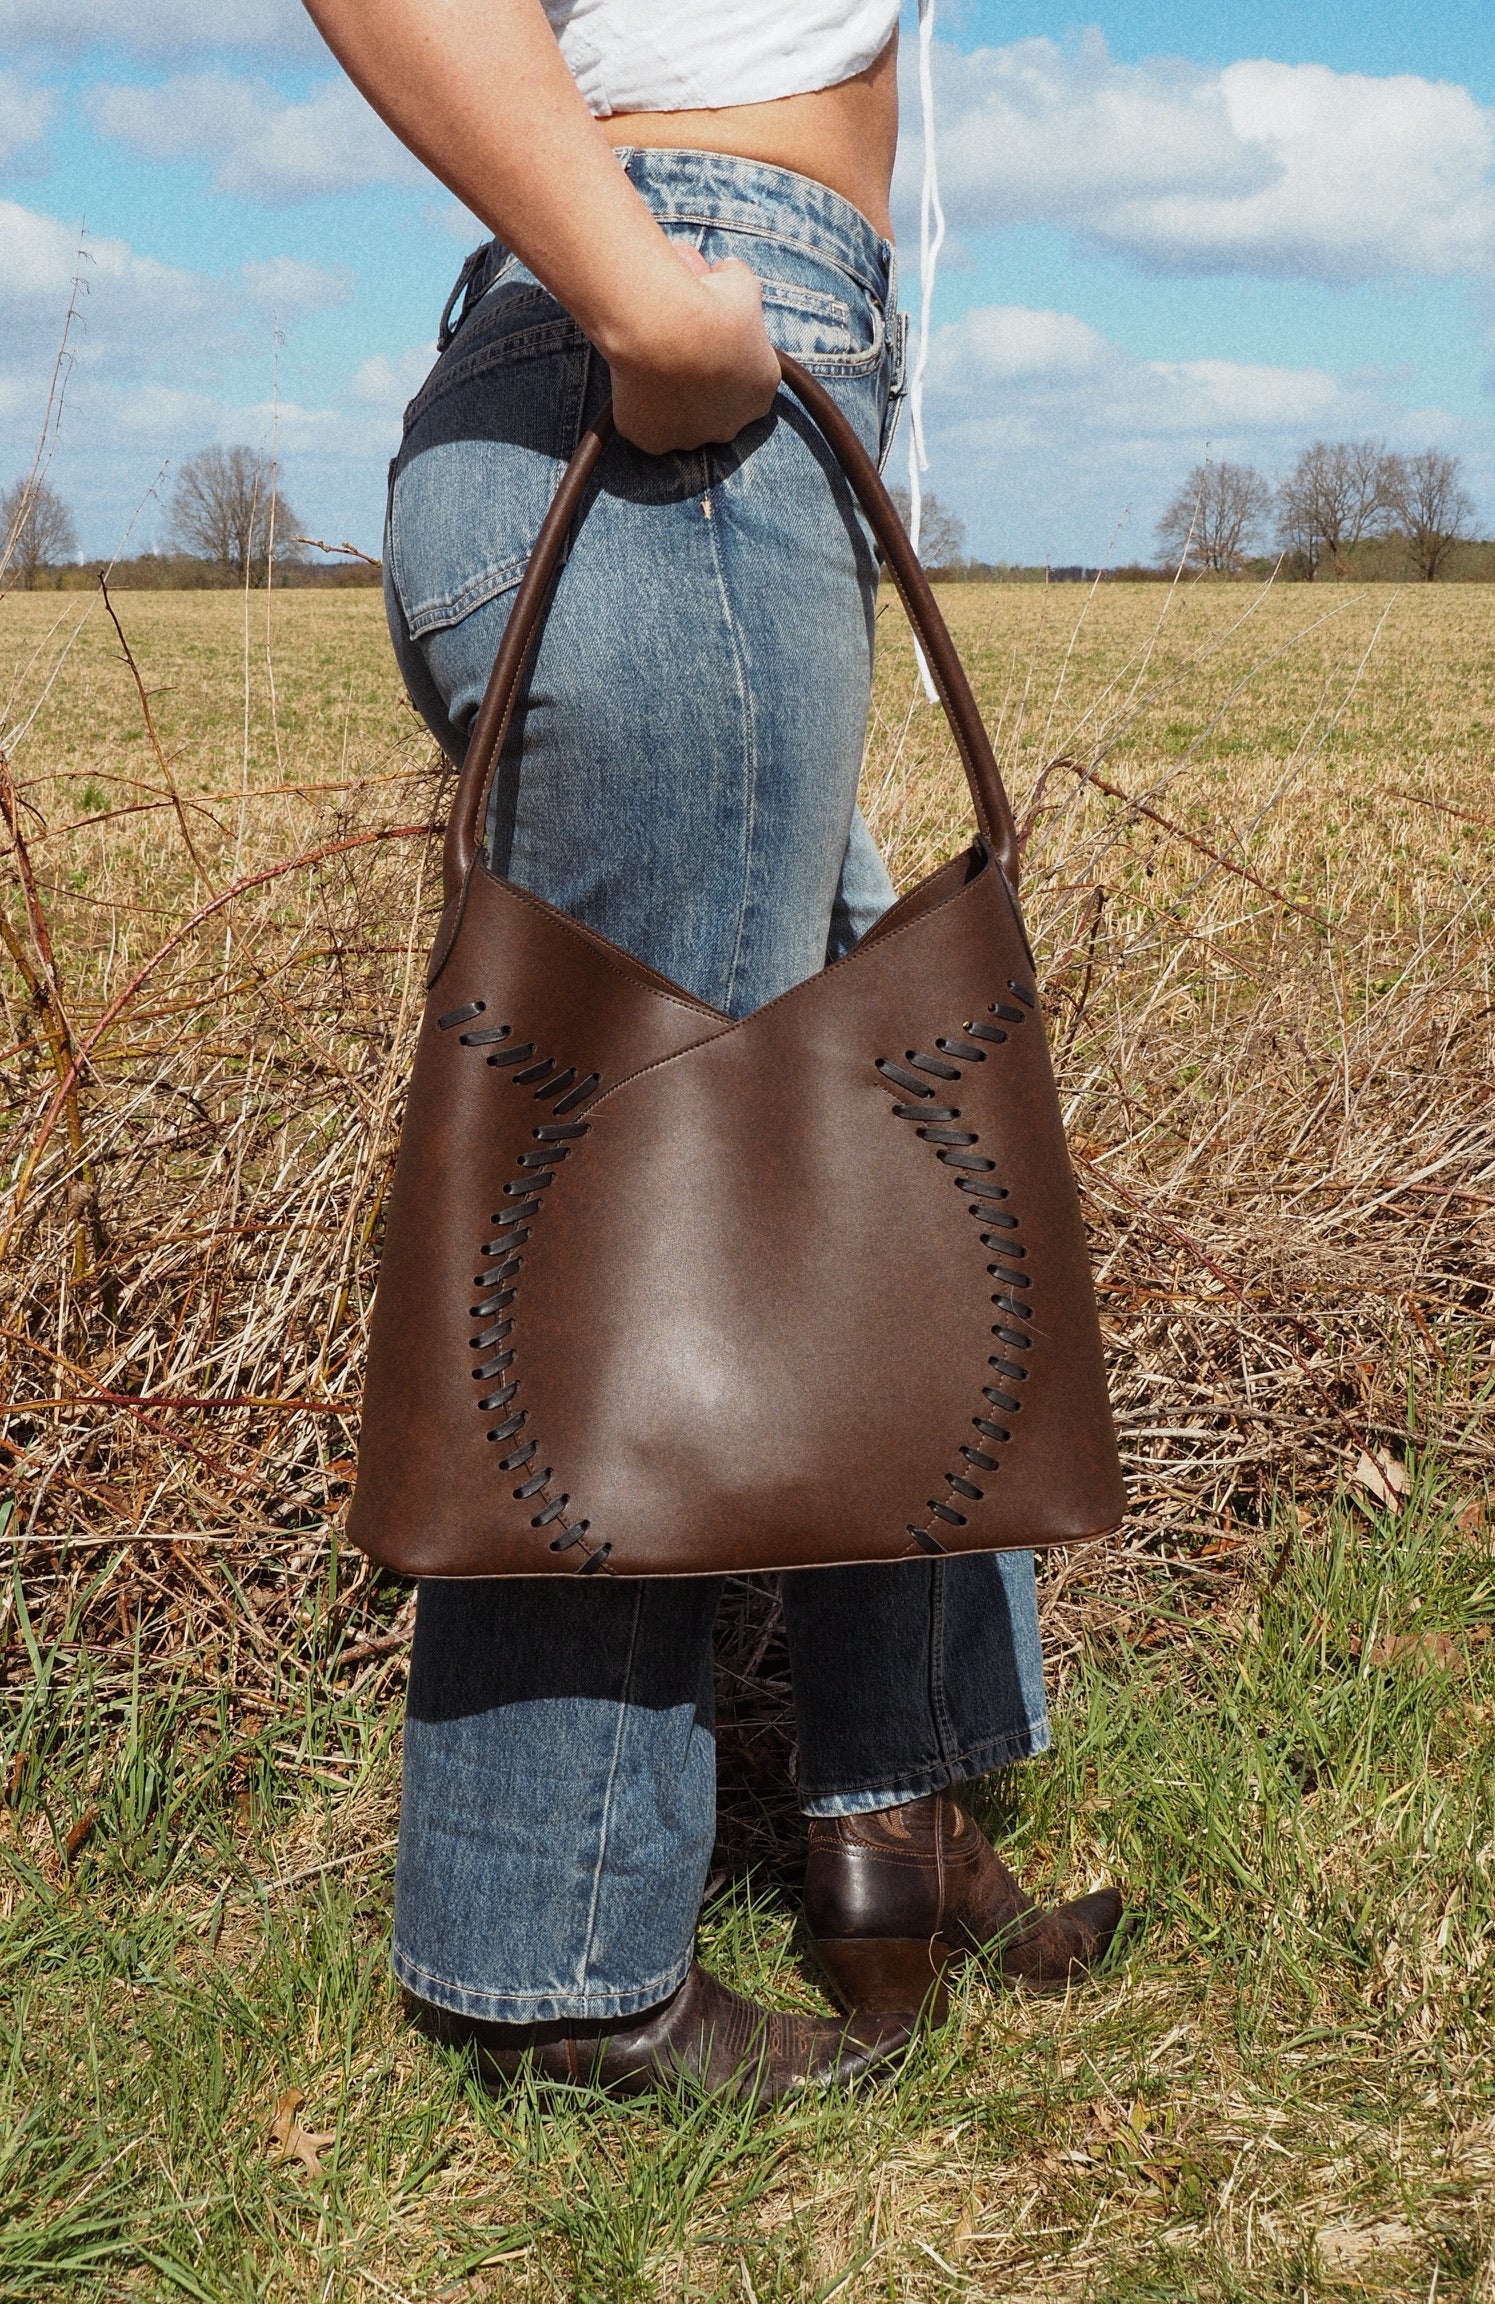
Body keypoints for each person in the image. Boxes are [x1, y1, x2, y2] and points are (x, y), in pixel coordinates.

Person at [304, 0, 1123, 2105]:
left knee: (876, 1138)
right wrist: (643, 288)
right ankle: (555, 1963)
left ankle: (897, 1819)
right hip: (673, 387)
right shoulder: (657, 302)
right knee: (636, 1216)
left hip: (717, 383)